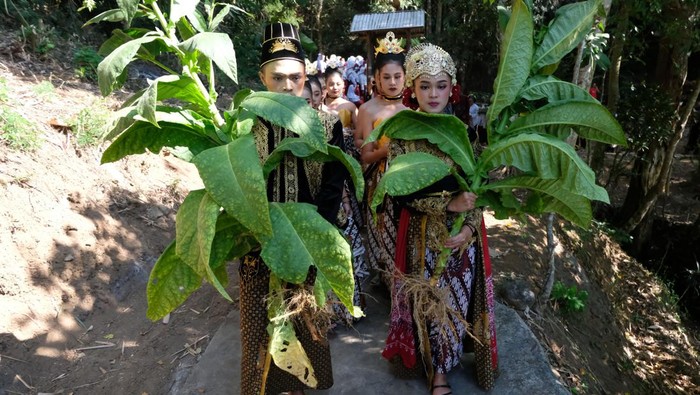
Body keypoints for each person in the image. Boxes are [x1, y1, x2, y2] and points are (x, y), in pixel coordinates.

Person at [381, 43, 499, 394]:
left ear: (453, 88)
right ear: (411, 88)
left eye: (441, 85)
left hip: (462, 241)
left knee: (454, 302)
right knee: (427, 302)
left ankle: (442, 372)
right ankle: (433, 368)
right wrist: (448, 206)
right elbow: (397, 190)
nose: (433, 94)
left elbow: (481, 186)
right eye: (425, 86)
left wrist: (467, 226)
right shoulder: (402, 135)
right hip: (421, 237)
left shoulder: (467, 134)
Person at [239, 22, 347, 395]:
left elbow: (334, 184)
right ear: (262, 78)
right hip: (258, 239)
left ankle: (300, 386)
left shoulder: (326, 124)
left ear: (306, 75)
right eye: (278, 78)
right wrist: (252, 229)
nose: (288, 87)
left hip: (308, 238)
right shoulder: (244, 123)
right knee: (260, 318)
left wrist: (316, 235)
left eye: (296, 77)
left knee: (305, 320)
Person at [356, 31, 407, 285]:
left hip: (408, 181)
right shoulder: (367, 110)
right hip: (379, 183)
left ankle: (403, 280)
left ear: (406, 78)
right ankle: (387, 281)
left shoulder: (412, 111)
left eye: (397, 76)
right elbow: (365, 154)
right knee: (383, 231)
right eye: (386, 77)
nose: (392, 82)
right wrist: (390, 150)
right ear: (376, 78)